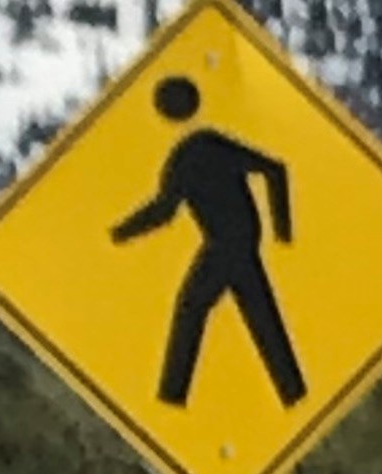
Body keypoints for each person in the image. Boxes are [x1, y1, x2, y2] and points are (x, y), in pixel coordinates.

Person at [111, 76, 307, 409]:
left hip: (229, 245)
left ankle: (172, 397)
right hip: (235, 243)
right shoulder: (200, 149)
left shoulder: (195, 151)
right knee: (257, 315)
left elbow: (274, 169)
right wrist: (122, 232)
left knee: (194, 308)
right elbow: (166, 210)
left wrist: (284, 233)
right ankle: (292, 393)